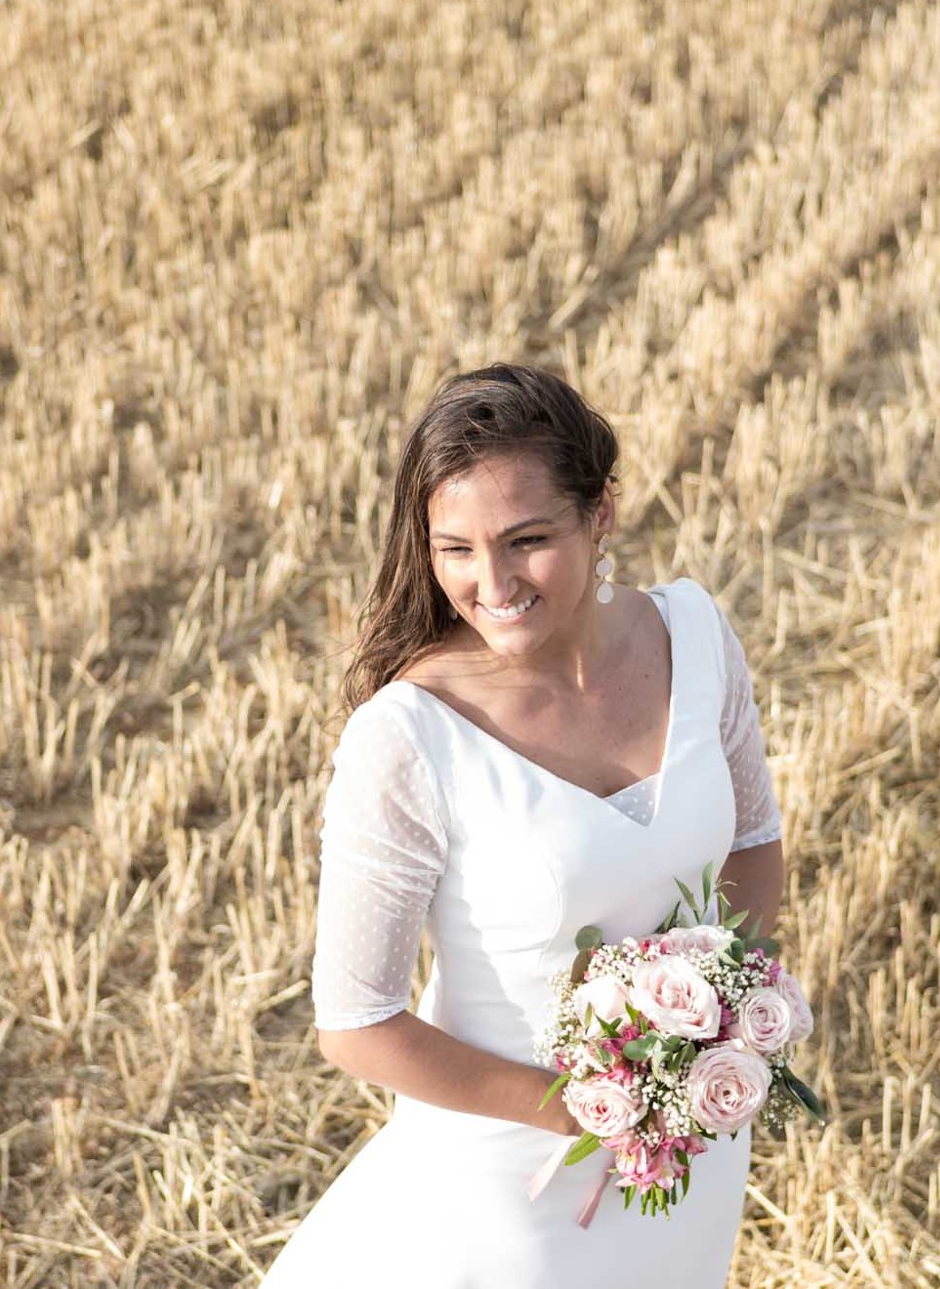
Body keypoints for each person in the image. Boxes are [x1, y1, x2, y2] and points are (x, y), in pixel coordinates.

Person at [261, 364, 788, 1286]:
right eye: (455, 549)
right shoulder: (408, 735)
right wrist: (589, 1104)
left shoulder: (696, 636)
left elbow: (752, 842)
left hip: (691, 1146)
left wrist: (711, 1031)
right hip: (507, 1196)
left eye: (527, 539)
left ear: (602, 512)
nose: (492, 582)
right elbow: (356, 1022)